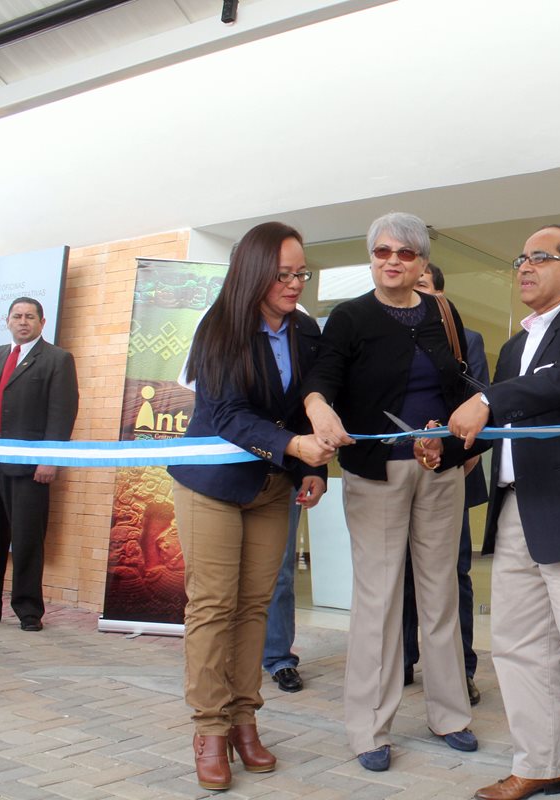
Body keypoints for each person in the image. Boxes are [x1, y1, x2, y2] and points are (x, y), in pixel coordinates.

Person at [449, 224, 560, 800]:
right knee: (518, 646)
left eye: (539, 258)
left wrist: (485, 399)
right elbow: (503, 422)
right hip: (514, 512)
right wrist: (450, 444)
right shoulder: (513, 346)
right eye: (520, 259)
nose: (524, 267)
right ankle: (540, 766)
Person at [303, 212, 486, 773]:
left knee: (441, 596)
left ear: (421, 263)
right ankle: (368, 728)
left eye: (404, 254)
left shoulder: (443, 314)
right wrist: (317, 408)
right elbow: (321, 380)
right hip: (376, 474)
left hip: (438, 472)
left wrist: (448, 446)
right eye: (382, 251)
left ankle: (450, 714)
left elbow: (464, 389)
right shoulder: (350, 317)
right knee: (379, 600)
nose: (392, 261)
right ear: (371, 256)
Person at [167, 221, 333, 791]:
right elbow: (232, 416)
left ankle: (244, 720)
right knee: (213, 605)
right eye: (283, 274)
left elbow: (313, 405)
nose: (294, 284)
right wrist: (294, 447)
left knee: (255, 607)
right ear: (254, 273)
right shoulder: (219, 330)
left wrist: (313, 468)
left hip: (274, 487)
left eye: (300, 273)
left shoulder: (305, 330)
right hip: (211, 485)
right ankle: (209, 730)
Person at [0, 297, 79, 632]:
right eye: (17, 316)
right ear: (7, 321)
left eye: (30, 317)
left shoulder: (57, 359)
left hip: (28, 469)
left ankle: (28, 610)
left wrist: (49, 459)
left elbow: (62, 413)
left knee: (26, 540)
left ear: (41, 322)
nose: (23, 322)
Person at [402, 263, 489, 706]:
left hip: (453, 474)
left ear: (440, 295)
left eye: (423, 287)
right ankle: (402, 663)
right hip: (398, 477)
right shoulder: (389, 340)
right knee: (401, 575)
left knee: (453, 575)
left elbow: (484, 407)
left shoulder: (467, 341)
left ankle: (461, 669)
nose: (414, 294)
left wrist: (463, 459)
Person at [262, 499, 304, 692]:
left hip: (281, 477)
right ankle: (226, 659)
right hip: (221, 477)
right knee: (223, 575)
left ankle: (279, 658)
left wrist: (313, 474)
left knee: (280, 572)